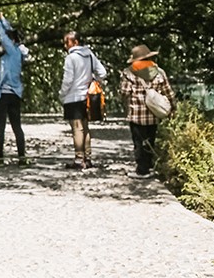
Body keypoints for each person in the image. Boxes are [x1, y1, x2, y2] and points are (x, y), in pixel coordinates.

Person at [119, 43, 177, 178]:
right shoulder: (159, 72)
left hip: (136, 115)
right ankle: (149, 166)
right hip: (153, 114)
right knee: (150, 140)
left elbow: (124, 92)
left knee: (138, 142)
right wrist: (173, 107)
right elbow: (168, 93)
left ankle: (141, 170)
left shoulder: (128, 73)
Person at [58, 31, 107, 169]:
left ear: (75, 42)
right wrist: (93, 81)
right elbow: (102, 72)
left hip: (73, 97)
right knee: (85, 128)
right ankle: (88, 157)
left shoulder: (71, 58)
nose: (65, 45)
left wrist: (62, 94)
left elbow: (68, 80)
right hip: (87, 97)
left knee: (77, 129)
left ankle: (79, 159)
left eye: (66, 42)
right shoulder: (90, 55)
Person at [0, 8, 31, 166]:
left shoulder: (11, 51)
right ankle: (21, 157)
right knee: (16, 126)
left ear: (11, 41)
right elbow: (8, 31)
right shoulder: (18, 52)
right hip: (15, 94)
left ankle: (0, 158)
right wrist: (2, 17)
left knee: (0, 127)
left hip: (4, 94)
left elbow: (2, 34)